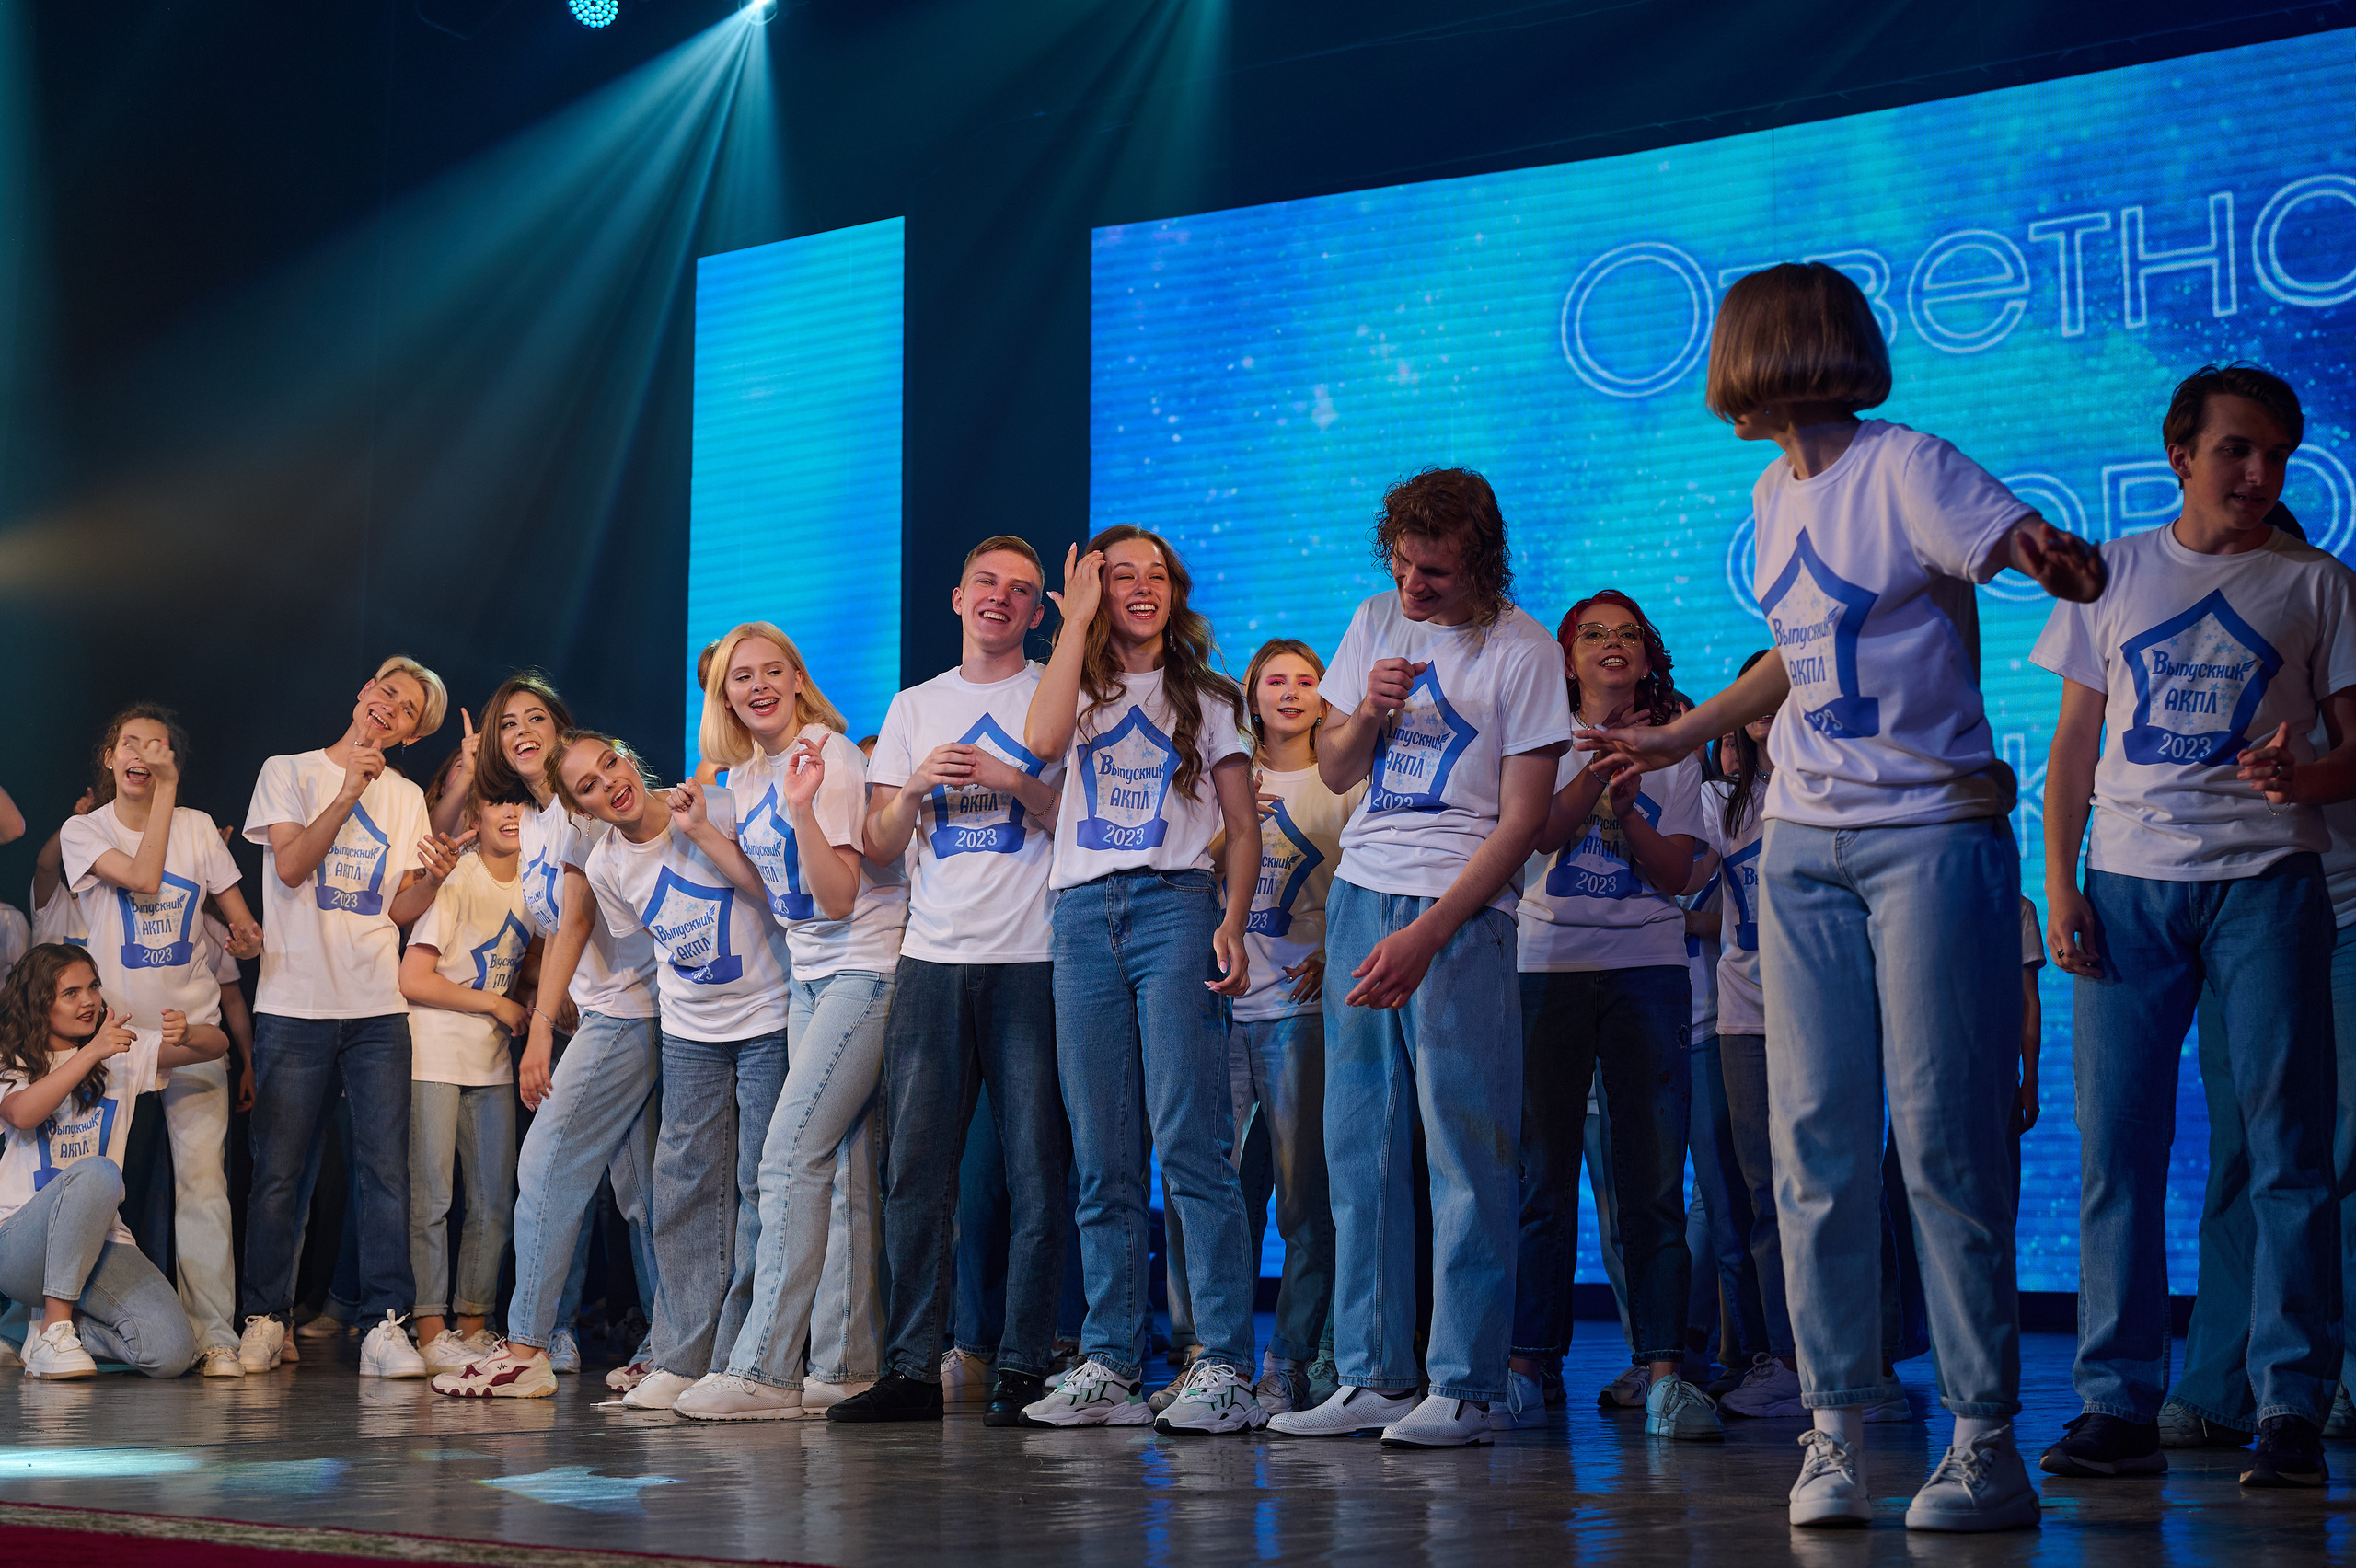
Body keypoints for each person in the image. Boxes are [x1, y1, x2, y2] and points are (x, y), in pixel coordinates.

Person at [1585, 261, 2104, 1528]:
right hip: (1804, 843)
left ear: (1764, 352)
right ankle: (1833, 1429)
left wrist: (2049, 553)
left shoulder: (1908, 464)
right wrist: (1675, 737)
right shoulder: (1772, 491)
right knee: (1811, 1146)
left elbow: (2009, 540)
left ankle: (1985, 1437)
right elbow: (1790, 659)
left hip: (1928, 830)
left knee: (1943, 1134)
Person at [2033, 362, 2355, 1491]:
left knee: (2285, 1152)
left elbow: (2354, 749)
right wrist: (2060, 883)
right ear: (2180, 453)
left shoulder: (2316, 583)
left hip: (2269, 886)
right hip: (2126, 886)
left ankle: (2288, 1407)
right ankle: (2116, 1401)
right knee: (2117, 1151)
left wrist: (2305, 776)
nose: (2259, 474)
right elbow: (2073, 746)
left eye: (2276, 455)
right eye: (2236, 450)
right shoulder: (2113, 572)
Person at [1270, 467, 1572, 1449]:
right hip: (1361, 894)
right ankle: (1370, 1376)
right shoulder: (1374, 621)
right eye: (1401, 563)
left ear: (1478, 561)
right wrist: (1368, 711)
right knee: (1356, 1146)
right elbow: (1336, 767)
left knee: (1466, 1149)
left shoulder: (1524, 651)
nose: (1413, 585)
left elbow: (1525, 820)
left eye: (1434, 572)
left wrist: (1431, 931)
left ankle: (1469, 1382)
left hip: (1461, 913)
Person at [1017, 525, 1264, 1435]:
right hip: (1082, 917)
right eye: (1119, 576)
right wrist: (1073, 619)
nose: (1140, 586)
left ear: (1176, 588)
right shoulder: (1076, 688)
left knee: (1191, 1142)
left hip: (1175, 907)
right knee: (1102, 1156)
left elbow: (1242, 827)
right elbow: (1039, 741)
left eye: (1154, 573)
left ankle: (1227, 1364)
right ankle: (1112, 1362)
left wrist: (1233, 921)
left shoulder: (1210, 694)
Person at [828, 536, 1070, 1427]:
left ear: (1041, 612)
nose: (999, 599)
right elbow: (879, 844)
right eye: (985, 584)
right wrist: (911, 789)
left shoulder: (1057, 693)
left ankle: (1021, 1365)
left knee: (1035, 1175)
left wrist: (1012, 778)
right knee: (913, 1173)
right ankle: (910, 1370)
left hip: (1033, 960)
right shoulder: (914, 706)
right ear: (957, 597)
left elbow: (1075, 817)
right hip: (932, 960)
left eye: (1020, 590)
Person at [670, 623, 907, 1421]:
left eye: (775, 670)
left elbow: (839, 896)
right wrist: (706, 831)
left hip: (863, 973)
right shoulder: (748, 769)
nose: (759, 685)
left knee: (788, 1157)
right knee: (835, 1172)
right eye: (743, 676)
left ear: (800, 679)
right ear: (724, 693)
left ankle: (766, 1370)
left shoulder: (827, 757)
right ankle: (842, 1366)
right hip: (812, 979)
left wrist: (803, 811)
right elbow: (780, 896)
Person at [1505, 591, 1715, 1438]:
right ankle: (1528, 1363)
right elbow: (1535, 837)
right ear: (1566, 654)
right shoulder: (1537, 737)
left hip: (1648, 971)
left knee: (1652, 1183)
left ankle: (1665, 1369)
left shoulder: (1677, 743)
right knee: (1539, 1177)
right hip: (1546, 966)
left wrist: (1628, 810)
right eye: (1594, 634)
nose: (1613, 646)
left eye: (1629, 634)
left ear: (1648, 654)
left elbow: (1685, 876)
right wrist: (1592, 771)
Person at [432, 674, 663, 1401]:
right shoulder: (531, 822)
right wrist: (554, 998)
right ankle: (672, 1348)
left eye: (537, 718)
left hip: (632, 1010)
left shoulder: (575, 808)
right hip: (600, 1010)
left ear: (562, 729)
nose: (523, 731)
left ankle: (527, 1345)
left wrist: (537, 1026)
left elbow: (579, 916)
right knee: (643, 1191)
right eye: (509, 725)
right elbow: (546, 930)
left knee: (546, 1164)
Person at [236, 657, 461, 1381]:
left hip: (374, 1010)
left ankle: (385, 1322)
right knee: (279, 1172)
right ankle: (265, 1317)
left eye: (405, 712)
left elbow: (396, 909)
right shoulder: (288, 770)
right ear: (363, 690)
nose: (389, 709)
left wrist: (434, 879)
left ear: (405, 737)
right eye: (387, 693)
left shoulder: (403, 800)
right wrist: (346, 791)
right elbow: (295, 865)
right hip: (293, 1004)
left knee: (385, 1174)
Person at [554, 728, 791, 1413]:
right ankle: (682, 1356)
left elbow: (774, 896)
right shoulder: (603, 867)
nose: (610, 783)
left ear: (629, 754)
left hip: (767, 1018)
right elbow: (648, 940)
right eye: (589, 786)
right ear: (583, 808)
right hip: (690, 1032)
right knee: (682, 1187)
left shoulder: (710, 805)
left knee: (757, 1181)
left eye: (610, 763)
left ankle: (744, 1356)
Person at [57, 706, 262, 1379]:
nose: (145, 752)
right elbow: (144, 879)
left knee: (204, 1187)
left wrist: (246, 936)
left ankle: (215, 1335)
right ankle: (48, 1323)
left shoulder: (200, 829)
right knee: (89, 1184)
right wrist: (168, 789)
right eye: (131, 742)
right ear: (110, 757)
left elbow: (240, 921)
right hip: (112, 1041)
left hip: (193, 1037)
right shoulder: (84, 831)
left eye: (159, 744)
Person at [1195, 637, 1360, 1415]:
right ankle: (1205, 1355)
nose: (1290, 694)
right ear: (1250, 695)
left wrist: (1337, 949)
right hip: (1219, 1010)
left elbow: (1368, 881)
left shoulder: (1341, 783)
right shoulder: (1219, 778)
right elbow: (1183, 879)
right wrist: (1234, 824)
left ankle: (1288, 1359)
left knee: (1303, 1199)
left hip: (1300, 1015)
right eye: (1274, 681)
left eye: (1306, 681)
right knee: (1213, 1190)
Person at [0, 943, 220, 1379]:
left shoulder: (121, 1053)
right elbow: (23, 1113)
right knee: (99, 1172)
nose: (89, 1001)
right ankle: (54, 1329)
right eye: (71, 993)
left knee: (171, 1352)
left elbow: (216, 1046)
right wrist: (90, 1054)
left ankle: (54, 1332)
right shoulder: (13, 1058)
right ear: (37, 1001)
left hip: (100, 1244)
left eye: (94, 987)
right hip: (20, 1246)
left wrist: (189, 1032)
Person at [399, 777, 537, 1374]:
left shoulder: (538, 879)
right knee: (432, 1197)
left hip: (492, 1061)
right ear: (474, 814)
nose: (511, 813)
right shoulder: (458, 876)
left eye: (520, 802)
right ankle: (431, 1328)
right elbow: (415, 979)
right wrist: (497, 1005)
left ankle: (473, 1324)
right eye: (497, 802)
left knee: (493, 1200)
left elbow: (523, 963)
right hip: (433, 1052)